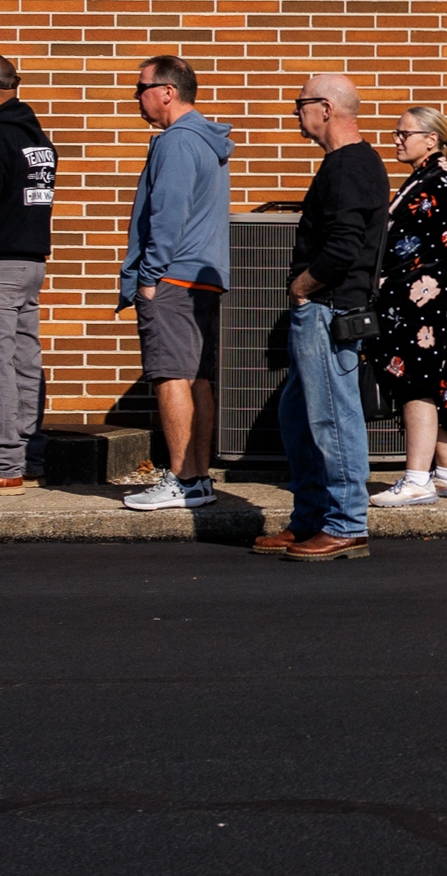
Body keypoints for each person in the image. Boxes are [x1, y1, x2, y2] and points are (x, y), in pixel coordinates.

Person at [261, 70, 390, 555]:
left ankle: (345, 523)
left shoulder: (350, 166)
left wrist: (302, 287)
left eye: (300, 104)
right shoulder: (345, 165)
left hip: (327, 308)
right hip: (322, 309)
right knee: (300, 418)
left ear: (327, 108)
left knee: (332, 418)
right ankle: (311, 516)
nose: (296, 112)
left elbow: (343, 247)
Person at [116, 57, 233, 514]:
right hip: (200, 278)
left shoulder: (178, 143)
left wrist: (147, 279)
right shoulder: (205, 140)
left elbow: (167, 216)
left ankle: (185, 480)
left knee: (171, 376)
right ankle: (197, 478)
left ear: (167, 91)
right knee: (195, 377)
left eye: (140, 87)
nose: (136, 97)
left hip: (172, 277)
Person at [370, 103, 447, 507]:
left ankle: (418, 478)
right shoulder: (429, 178)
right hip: (427, 303)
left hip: (420, 304)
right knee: (435, 381)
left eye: (404, 133)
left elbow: (416, 253)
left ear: (430, 139)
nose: (397, 140)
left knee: (416, 385)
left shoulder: (436, 183)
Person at [0, 55, 59, 491]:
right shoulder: (35, 136)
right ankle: (28, 456)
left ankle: (1, 462)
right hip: (31, 261)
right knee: (24, 360)